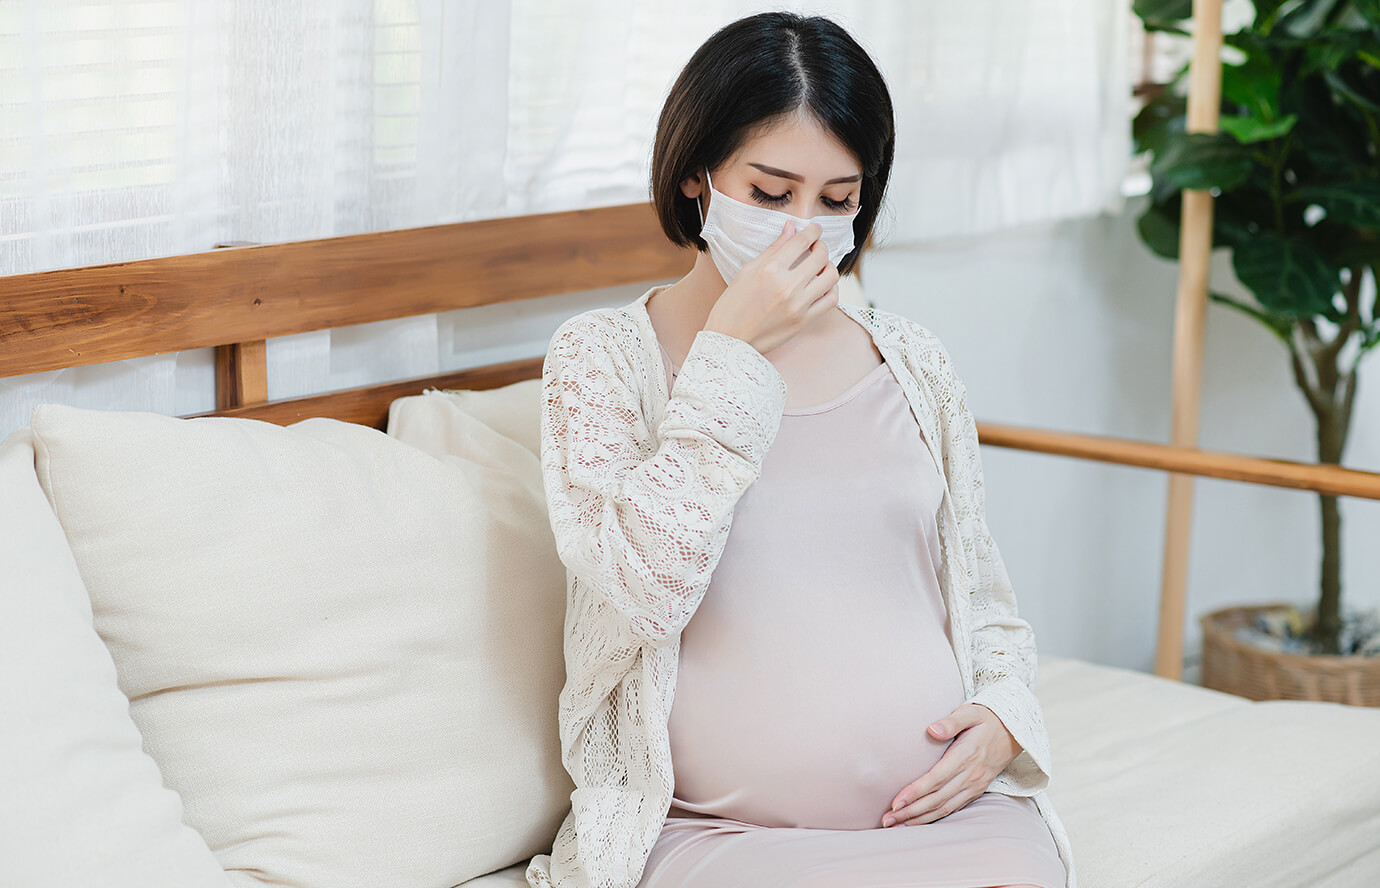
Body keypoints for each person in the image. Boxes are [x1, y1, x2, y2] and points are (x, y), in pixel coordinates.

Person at [526, 11, 1077, 888]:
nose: (801, 230)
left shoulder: (914, 360)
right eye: (771, 193)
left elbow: (982, 596)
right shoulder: (599, 359)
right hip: (716, 833)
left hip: (951, 824)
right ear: (700, 174)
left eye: (837, 200)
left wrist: (1007, 715)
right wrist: (732, 357)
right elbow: (639, 589)